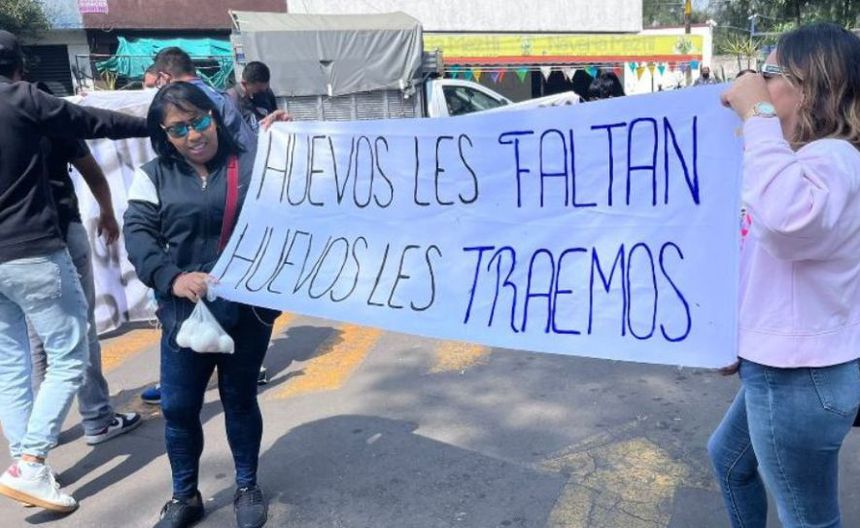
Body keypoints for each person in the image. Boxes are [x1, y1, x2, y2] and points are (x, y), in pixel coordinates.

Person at [709, 23, 860, 528]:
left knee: (808, 519)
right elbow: (764, 263)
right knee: (729, 460)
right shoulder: (806, 159)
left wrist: (757, 116)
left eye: (768, 73)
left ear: (809, 88)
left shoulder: (835, 157)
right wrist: (737, 336)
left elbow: (787, 223)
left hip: (798, 376)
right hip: (783, 365)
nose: (757, 81)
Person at [0, 30, 148, 512]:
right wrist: (156, 122)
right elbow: (93, 121)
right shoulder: (23, 99)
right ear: (19, 66)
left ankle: (25, 461)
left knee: (12, 363)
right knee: (70, 353)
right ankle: (31, 464)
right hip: (33, 249)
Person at [124, 82, 282, 528]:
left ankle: (247, 486)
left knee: (240, 399)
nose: (193, 135)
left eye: (199, 121)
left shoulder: (253, 162)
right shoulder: (152, 175)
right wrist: (171, 278)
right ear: (163, 134)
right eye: (178, 129)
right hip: (184, 313)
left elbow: (306, 197)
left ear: (214, 116)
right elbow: (138, 235)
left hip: (246, 312)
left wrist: (290, 145)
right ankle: (184, 497)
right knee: (178, 407)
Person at [24, 83, 141, 446]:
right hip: (61, 233)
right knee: (80, 325)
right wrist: (107, 212)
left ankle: (44, 427)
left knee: (36, 338)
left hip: (15, 248)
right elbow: (92, 171)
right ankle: (97, 417)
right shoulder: (55, 124)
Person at [226, 61, 277, 132]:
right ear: (244, 84)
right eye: (259, 90)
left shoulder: (267, 92)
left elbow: (275, 117)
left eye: (266, 89)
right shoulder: (230, 101)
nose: (263, 94)